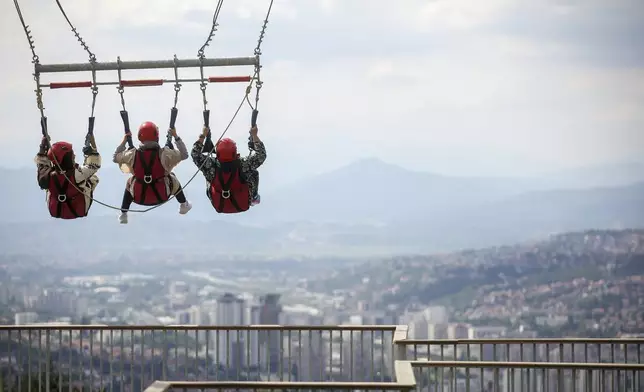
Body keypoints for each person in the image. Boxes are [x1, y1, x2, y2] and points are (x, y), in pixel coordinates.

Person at [113, 121, 192, 224]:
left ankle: (123, 214)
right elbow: (184, 155)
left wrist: (124, 141)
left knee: (130, 181)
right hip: (161, 195)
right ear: (156, 136)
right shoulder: (165, 154)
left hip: (139, 196)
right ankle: (183, 205)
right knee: (172, 177)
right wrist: (175, 136)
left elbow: (115, 158)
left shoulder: (132, 155)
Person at [191, 125, 266, 213]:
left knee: (208, 176)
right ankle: (254, 197)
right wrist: (254, 135)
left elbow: (195, 154)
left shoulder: (210, 166)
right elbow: (261, 155)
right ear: (234, 152)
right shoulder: (243, 165)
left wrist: (203, 135)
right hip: (242, 204)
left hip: (219, 205)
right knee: (253, 173)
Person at [35, 135, 101, 219]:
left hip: (56, 210)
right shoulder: (77, 175)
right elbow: (94, 165)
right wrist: (92, 151)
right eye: (72, 154)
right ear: (67, 158)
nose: (74, 156)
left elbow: (42, 165)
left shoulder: (47, 175)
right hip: (78, 209)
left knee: (48, 183)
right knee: (92, 178)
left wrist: (43, 147)